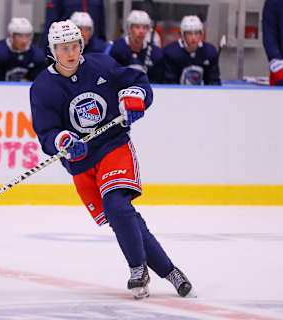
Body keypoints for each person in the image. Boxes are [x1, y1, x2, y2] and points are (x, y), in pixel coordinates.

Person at [30, 19, 192, 299]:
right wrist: (65, 142)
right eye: (63, 48)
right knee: (123, 218)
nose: (70, 53)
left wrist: (134, 98)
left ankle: (136, 269)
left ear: (82, 45)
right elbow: (46, 132)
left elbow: (136, 82)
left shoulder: (101, 65)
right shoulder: (42, 87)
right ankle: (171, 271)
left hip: (112, 145)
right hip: (80, 163)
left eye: (75, 46)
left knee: (116, 204)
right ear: (52, 50)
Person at [0, 17, 45, 82]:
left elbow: (37, 83)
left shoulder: (37, 55)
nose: (24, 41)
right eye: (20, 36)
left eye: (28, 36)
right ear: (10, 36)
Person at [109, 10, 164, 84]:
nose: (141, 31)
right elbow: (111, 76)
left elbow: (158, 82)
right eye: (137, 27)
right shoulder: (117, 48)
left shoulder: (155, 53)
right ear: (129, 29)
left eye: (145, 28)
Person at [163, 15, 220, 85]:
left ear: (201, 34)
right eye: (189, 33)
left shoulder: (209, 52)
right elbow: (169, 83)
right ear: (182, 35)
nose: (193, 37)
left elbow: (214, 81)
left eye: (196, 33)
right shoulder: (171, 52)